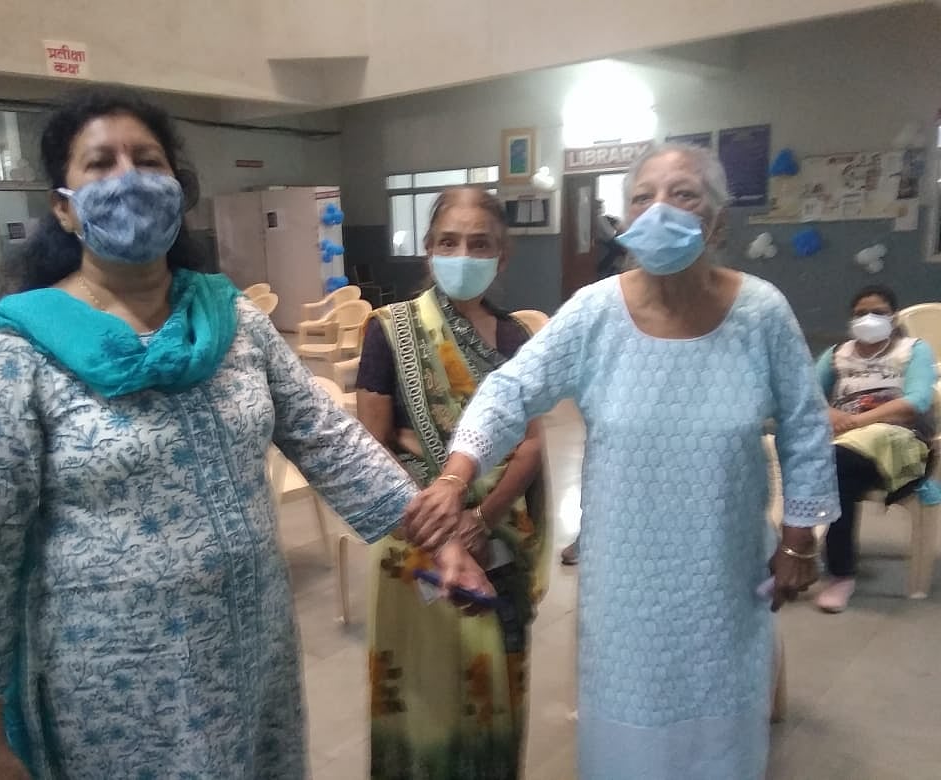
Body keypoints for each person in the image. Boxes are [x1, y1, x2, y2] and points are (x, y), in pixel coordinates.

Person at [0, 86, 486, 780]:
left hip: (248, 660)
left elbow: (330, 441)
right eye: (100, 164)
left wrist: (436, 531)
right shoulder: (19, 349)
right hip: (107, 693)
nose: (129, 178)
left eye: (147, 160)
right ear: (63, 205)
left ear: (178, 189)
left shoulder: (231, 321)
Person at [404, 143, 840, 779]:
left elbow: (805, 423)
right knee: (627, 736)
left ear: (716, 222)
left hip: (723, 567)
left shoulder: (761, 311)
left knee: (718, 733)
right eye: (643, 197)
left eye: (683, 194)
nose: (659, 209)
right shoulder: (594, 313)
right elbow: (510, 390)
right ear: (626, 218)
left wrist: (800, 539)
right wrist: (455, 474)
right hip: (625, 584)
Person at [356, 186, 549, 779]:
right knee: (422, 692)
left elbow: (533, 442)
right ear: (428, 251)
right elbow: (374, 447)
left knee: (495, 688)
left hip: (498, 535)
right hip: (415, 535)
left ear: (502, 256)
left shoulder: (516, 337)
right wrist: (442, 525)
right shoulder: (389, 330)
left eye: (479, 243)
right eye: (448, 241)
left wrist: (483, 517)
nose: (463, 253)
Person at [815, 284, 937, 612]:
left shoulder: (913, 350)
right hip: (843, 446)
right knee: (828, 464)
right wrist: (835, 414)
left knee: (833, 464)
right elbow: (807, 395)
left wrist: (858, 421)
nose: (869, 318)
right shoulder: (837, 354)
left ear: (894, 317)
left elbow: (916, 401)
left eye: (879, 312)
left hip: (899, 442)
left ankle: (838, 572)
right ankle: (812, 560)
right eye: (860, 313)